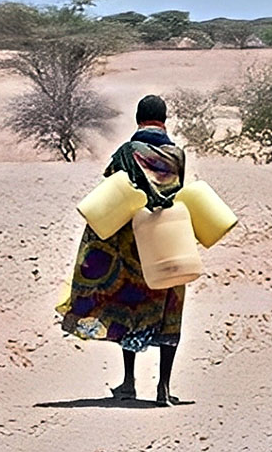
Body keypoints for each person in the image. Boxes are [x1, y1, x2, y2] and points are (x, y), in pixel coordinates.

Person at [56, 95, 187, 406]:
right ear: (164, 120)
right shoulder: (177, 155)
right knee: (169, 307)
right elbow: (174, 191)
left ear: (138, 120)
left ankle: (129, 382)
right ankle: (163, 387)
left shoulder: (127, 152)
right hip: (166, 239)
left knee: (133, 305)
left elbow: (113, 186)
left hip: (132, 244)